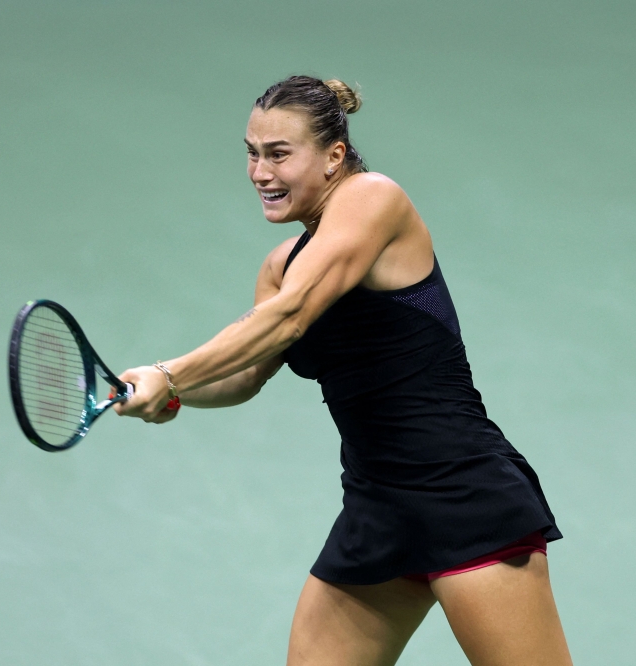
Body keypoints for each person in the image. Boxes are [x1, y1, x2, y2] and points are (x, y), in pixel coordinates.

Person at [113, 75, 573, 665]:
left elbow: (290, 318)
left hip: (462, 494)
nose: (260, 172)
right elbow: (245, 376)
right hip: (377, 508)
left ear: (334, 157)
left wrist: (169, 372)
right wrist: (167, 396)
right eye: (252, 154)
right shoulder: (282, 266)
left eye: (279, 154)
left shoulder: (372, 198)